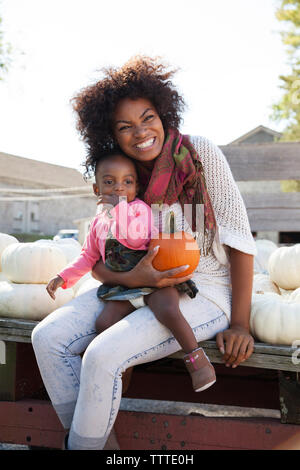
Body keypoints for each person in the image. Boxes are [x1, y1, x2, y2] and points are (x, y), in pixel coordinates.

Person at [31, 55, 257, 451]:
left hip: (203, 291)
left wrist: (239, 323)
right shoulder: (120, 176)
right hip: (134, 288)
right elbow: (101, 257)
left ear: (164, 114)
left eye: (148, 117)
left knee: (101, 356)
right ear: (111, 135)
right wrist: (136, 279)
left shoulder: (198, 153)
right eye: (125, 127)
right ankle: (102, 448)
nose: (141, 132)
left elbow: (240, 240)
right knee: (47, 336)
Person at [46, 151, 215, 393]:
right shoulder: (96, 224)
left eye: (127, 182)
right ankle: (119, 371)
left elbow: (135, 239)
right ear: (96, 189)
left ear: (136, 187)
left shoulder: (140, 210)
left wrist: (118, 210)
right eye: (109, 182)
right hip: (124, 288)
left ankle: (197, 361)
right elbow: (88, 256)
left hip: (155, 280)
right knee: (104, 323)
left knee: (168, 309)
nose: (119, 188)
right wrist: (64, 277)